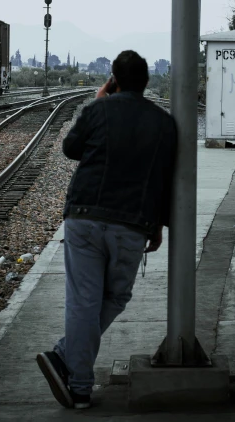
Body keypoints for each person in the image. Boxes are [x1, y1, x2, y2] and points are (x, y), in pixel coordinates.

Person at [36, 50, 177, 410]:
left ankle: (72, 369)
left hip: (85, 217)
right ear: (147, 83)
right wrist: (160, 226)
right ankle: (75, 377)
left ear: (113, 78)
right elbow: (165, 179)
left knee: (84, 301)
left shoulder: (99, 109)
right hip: (132, 225)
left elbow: (71, 148)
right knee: (115, 297)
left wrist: (97, 103)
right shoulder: (163, 124)